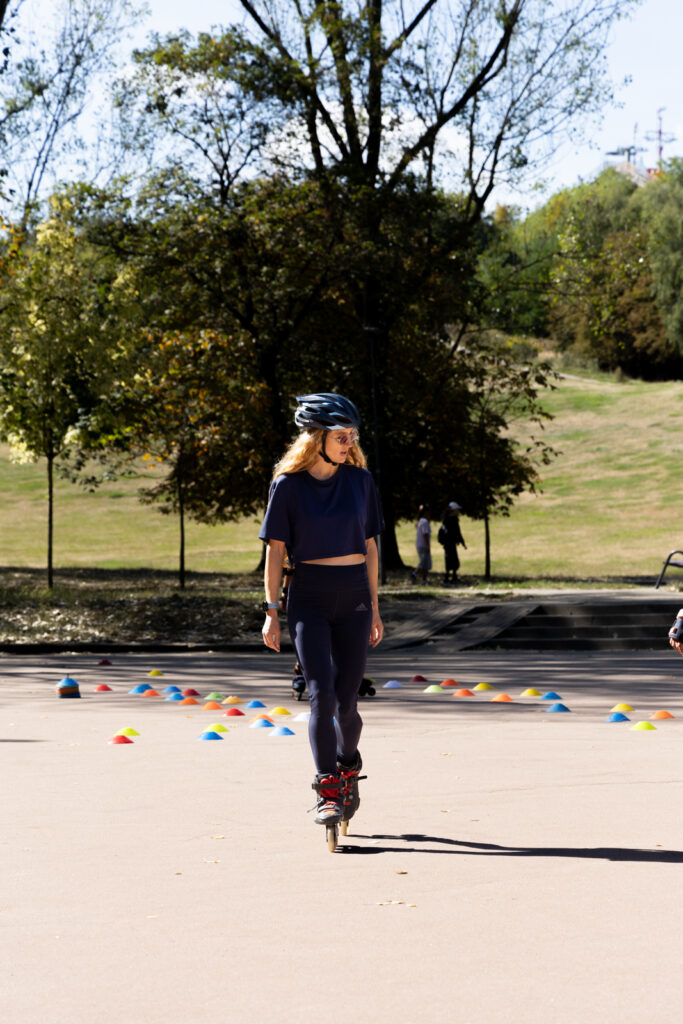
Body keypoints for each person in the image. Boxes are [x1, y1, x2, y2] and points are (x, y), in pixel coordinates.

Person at [259, 392, 384, 830]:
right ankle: (328, 788)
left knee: (347, 703)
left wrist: (374, 608)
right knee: (321, 695)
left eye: (351, 435)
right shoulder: (288, 486)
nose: (348, 442)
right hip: (309, 595)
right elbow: (275, 551)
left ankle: (348, 765)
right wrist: (272, 611)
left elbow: (369, 547)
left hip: (353, 598)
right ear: (316, 437)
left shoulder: (360, 482)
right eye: (340, 436)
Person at [438, 501, 467, 584]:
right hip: (450, 543)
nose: (458, 511)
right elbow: (457, 532)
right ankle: (449, 578)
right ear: (454, 510)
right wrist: (462, 542)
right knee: (453, 560)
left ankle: (451, 577)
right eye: (457, 510)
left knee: (450, 560)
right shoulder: (454, 520)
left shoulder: (446, 519)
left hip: (447, 543)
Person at [414, 505, 431, 582]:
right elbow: (425, 534)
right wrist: (427, 545)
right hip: (423, 545)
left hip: (419, 544)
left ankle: (424, 580)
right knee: (424, 562)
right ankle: (414, 574)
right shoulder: (425, 521)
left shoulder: (420, 521)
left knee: (424, 562)